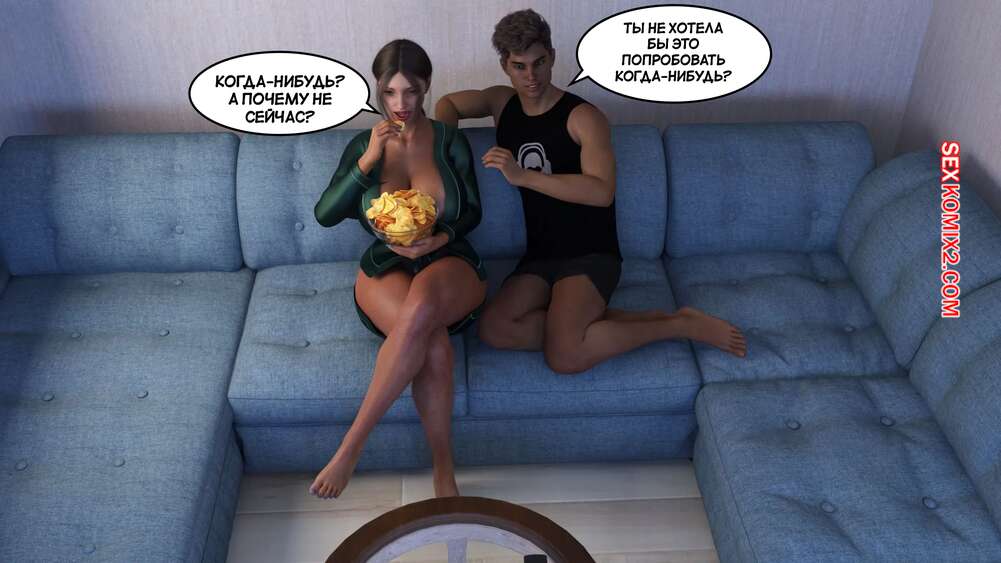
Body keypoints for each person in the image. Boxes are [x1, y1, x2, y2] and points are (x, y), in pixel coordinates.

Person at [435, 9, 746, 374]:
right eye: (520, 66)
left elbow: (602, 192)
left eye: (539, 63)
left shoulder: (584, 117)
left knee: (565, 356)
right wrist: (443, 155)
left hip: (590, 252)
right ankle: (592, 326)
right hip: (541, 254)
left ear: (552, 56)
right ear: (505, 65)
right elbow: (448, 104)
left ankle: (679, 325)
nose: (531, 76)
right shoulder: (501, 103)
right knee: (494, 329)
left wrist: (523, 177)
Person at [310, 39, 487, 500]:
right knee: (434, 344)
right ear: (378, 89)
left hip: (448, 256)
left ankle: (351, 447)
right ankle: (444, 472)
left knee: (424, 305)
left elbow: (472, 212)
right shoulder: (362, 145)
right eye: (389, 92)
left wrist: (442, 237)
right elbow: (325, 215)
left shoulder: (449, 140)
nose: (400, 103)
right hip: (385, 262)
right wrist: (368, 160)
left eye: (410, 91)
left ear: (426, 86)